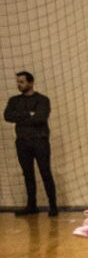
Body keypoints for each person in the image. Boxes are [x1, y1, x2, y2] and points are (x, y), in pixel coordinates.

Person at [4, 71, 58, 216]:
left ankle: (53, 206)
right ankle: (31, 205)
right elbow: (7, 116)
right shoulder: (14, 100)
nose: (19, 84)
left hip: (40, 141)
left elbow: (40, 118)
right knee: (28, 174)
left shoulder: (43, 100)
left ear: (31, 82)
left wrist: (21, 117)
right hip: (22, 142)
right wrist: (29, 114)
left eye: (22, 82)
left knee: (45, 172)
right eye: (18, 82)